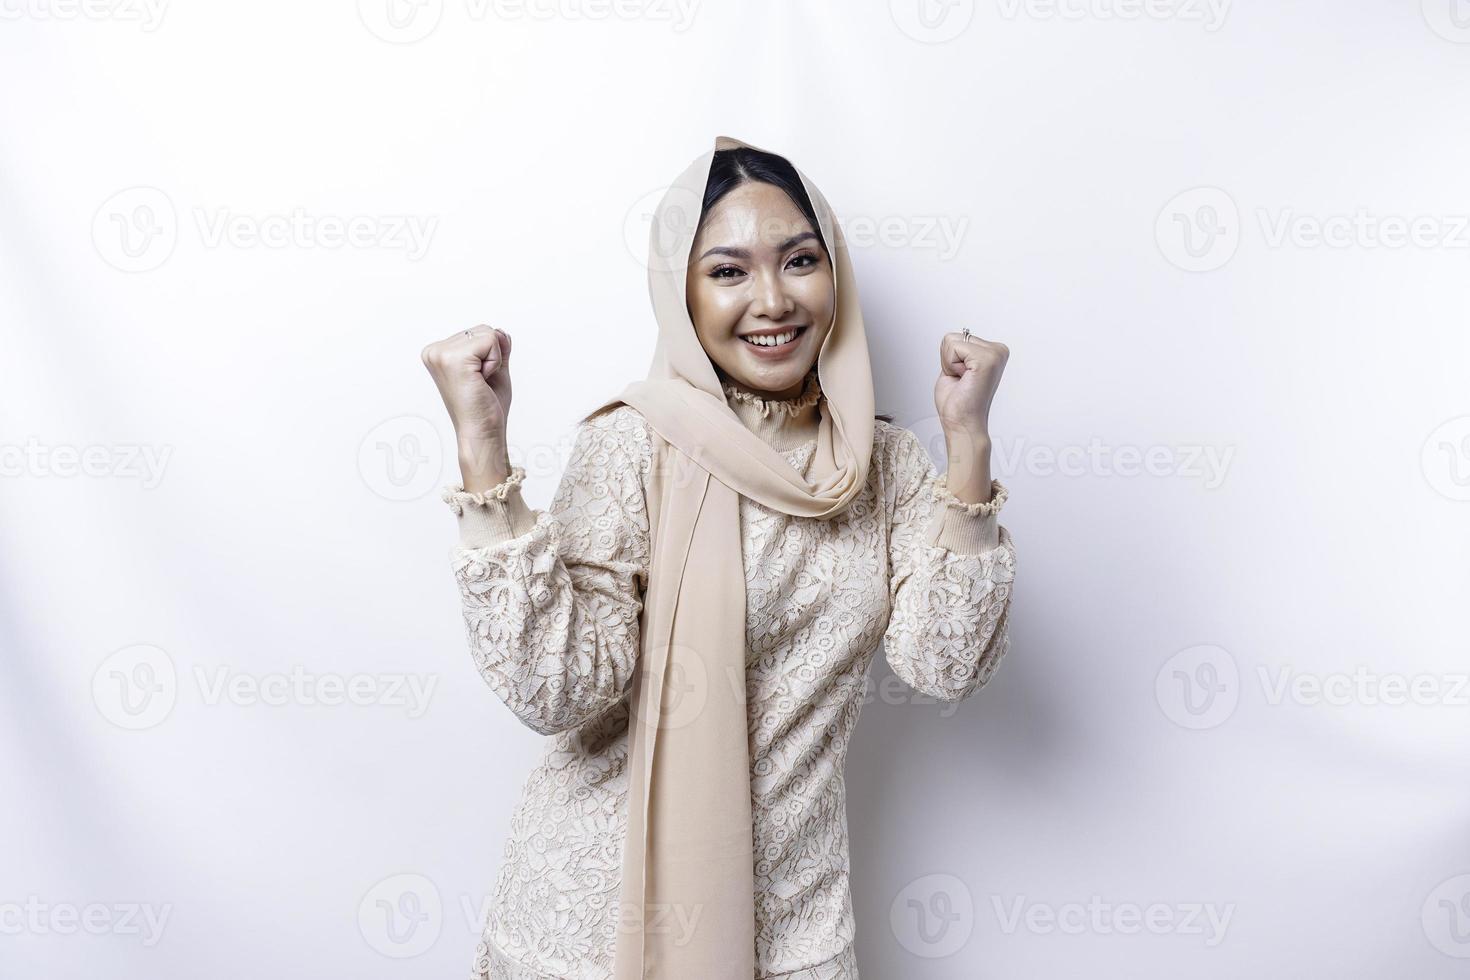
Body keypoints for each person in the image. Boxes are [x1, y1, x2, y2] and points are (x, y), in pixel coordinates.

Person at [420, 135, 1017, 980]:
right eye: (729, 271)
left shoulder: (887, 472)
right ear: (682, 294)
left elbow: (944, 662)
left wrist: (968, 443)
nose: (771, 300)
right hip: (596, 932)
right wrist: (483, 451)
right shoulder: (635, 444)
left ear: (834, 274)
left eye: (799, 260)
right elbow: (556, 691)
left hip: (795, 930)